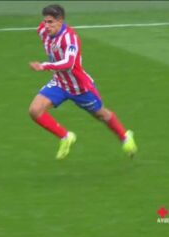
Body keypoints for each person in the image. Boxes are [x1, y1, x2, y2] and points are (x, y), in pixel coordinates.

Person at [29, 4, 137, 160]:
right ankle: (66, 137)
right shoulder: (43, 31)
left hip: (80, 87)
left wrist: (44, 65)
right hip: (59, 83)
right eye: (45, 21)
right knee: (35, 110)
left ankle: (125, 137)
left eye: (50, 22)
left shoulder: (70, 38)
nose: (46, 26)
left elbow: (69, 63)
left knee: (101, 115)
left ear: (60, 21)